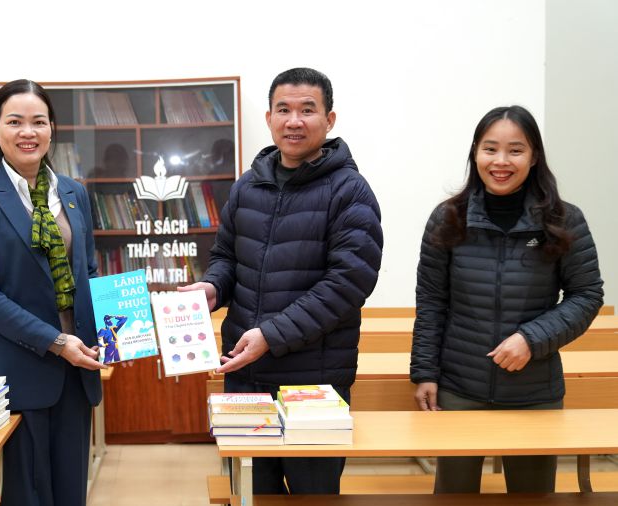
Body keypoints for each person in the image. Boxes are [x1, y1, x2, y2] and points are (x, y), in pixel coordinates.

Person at [181, 67, 383, 494]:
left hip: (315, 382)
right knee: (253, 491)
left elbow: (347, 284)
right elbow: (226, 258)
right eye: (284, 109)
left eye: (307, 110)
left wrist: (270, 335)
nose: (294, 120)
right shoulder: (247, 187)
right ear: (270, 117)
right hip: (246, 372)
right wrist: (214, 288)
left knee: (313, 494)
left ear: (329, 120)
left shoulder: (350, 191)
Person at [410, 105, 604, 493]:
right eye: (490, 149)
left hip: (534, 393)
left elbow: (587, 294)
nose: (501, 161)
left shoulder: (565, 220)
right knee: (453, 497)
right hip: (459, 388)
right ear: (475, 154)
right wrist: (425, 373)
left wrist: (531, 339)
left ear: (534, 158)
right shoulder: (448, 218)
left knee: (533, 498)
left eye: (515, 150)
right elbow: (432, 301)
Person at [0, 79, 106, 506]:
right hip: (16, 370)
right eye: (15, 121)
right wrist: (55, 342)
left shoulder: (73, 192)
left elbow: (87, 272)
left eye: (38, 121)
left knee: (72, 490)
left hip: (77, 370)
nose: (27, 132)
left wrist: (115, 332)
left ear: (52, 128)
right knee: (27, 493)